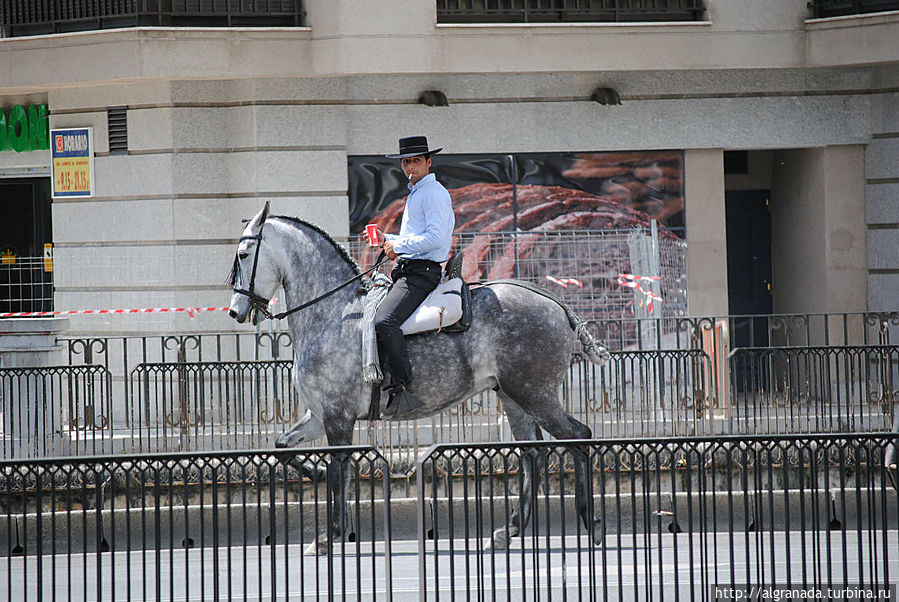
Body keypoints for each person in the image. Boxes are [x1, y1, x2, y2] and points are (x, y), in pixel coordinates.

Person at [375, 136, 455, 417]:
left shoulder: (433, 193)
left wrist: (398, 246)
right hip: (410, 269)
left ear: (428, 162)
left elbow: (435, 239)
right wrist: (389, 239)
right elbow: (416, 237)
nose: (410, 166)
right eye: (406, 161)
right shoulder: (418, 192)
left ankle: (404, 387)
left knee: (385, 320)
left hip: (422, 273)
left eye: (416, 160)